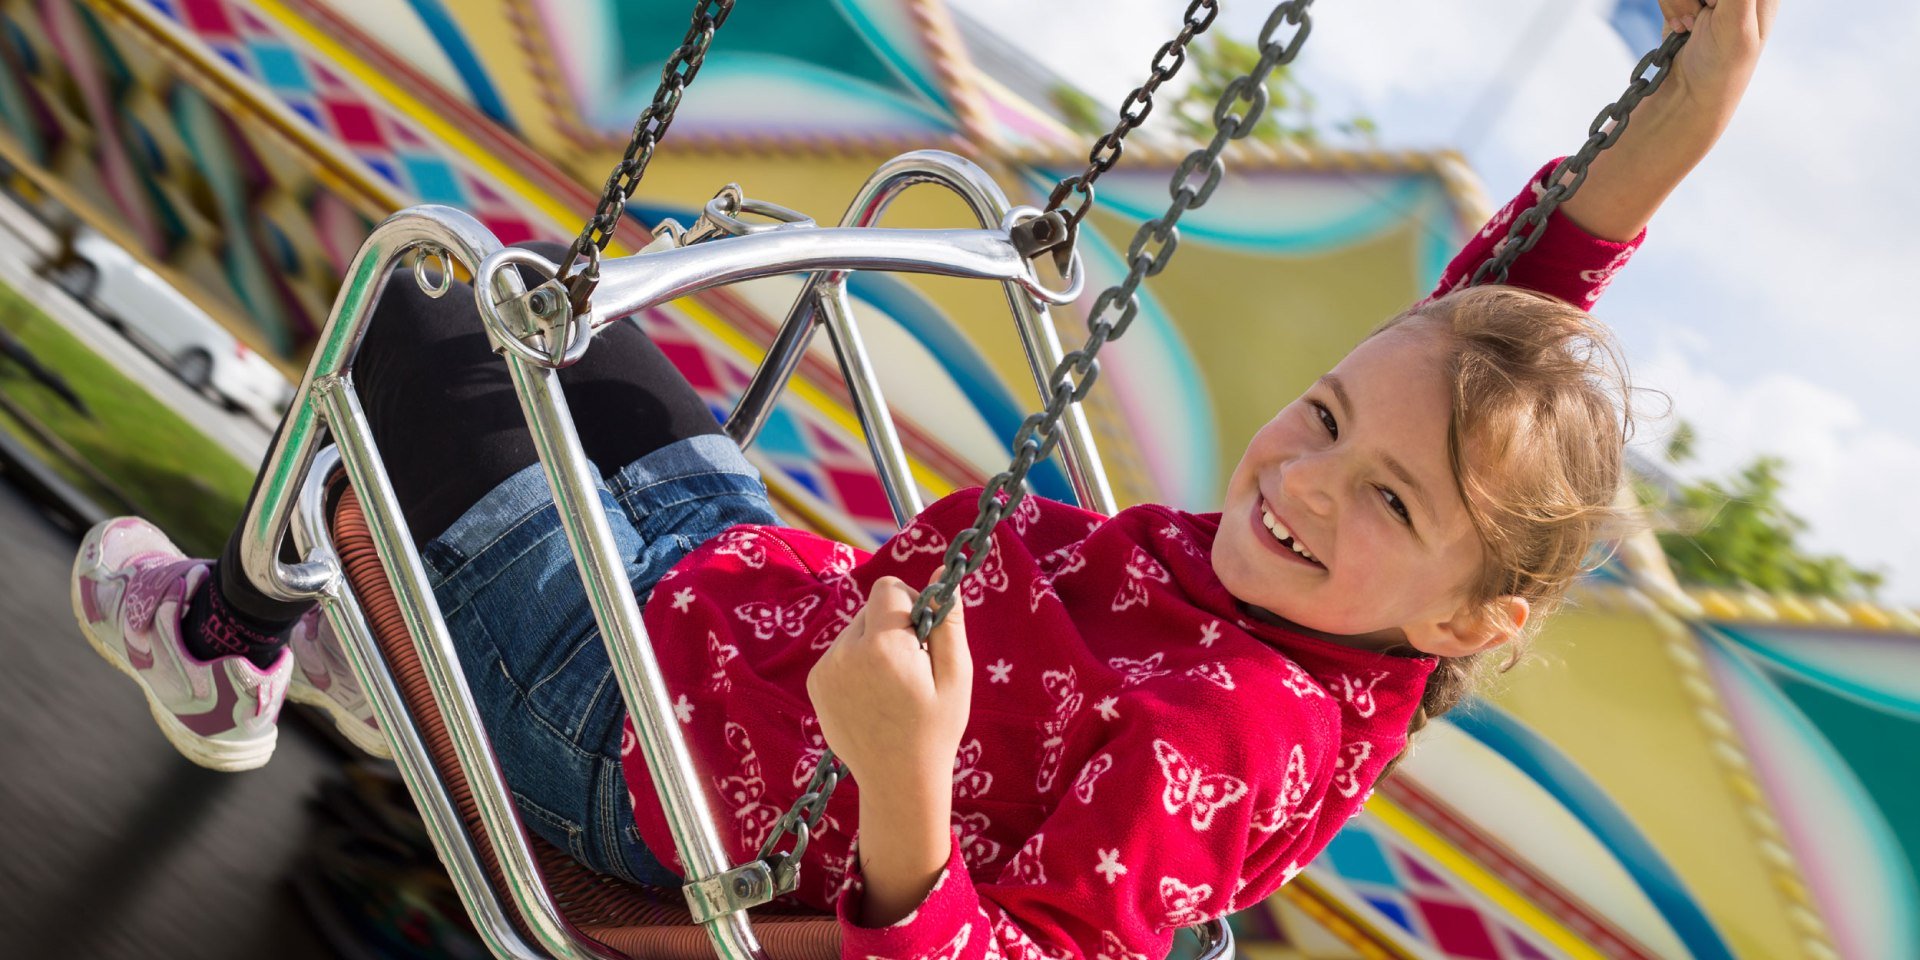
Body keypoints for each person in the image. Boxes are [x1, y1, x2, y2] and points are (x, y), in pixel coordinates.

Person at [69, 1, 1773, 957]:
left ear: (1490, 609)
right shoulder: (1375, 642)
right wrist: (1670, 141)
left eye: (1387, 499)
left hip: (632, 728)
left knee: (417, 319)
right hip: (743, 585)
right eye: (1327, 416)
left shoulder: (1231, 737)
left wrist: (906, 774)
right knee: (559, 312)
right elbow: (1502, 329)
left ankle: (229, 637)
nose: (1312, 483)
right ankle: (350, 629)